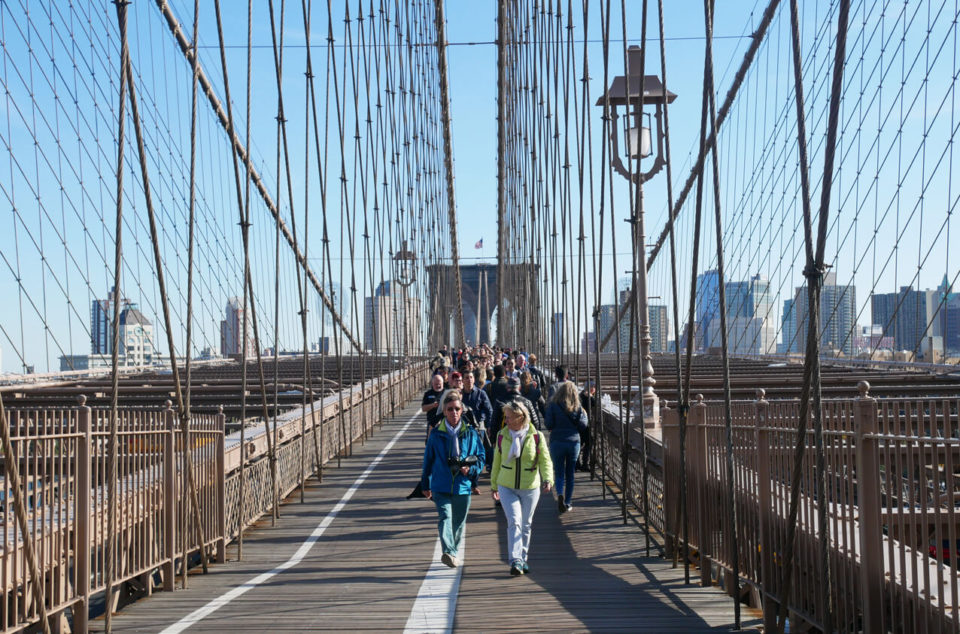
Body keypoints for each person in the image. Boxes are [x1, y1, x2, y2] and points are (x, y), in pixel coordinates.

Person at [420, 390, 486, 568]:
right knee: (445, 517)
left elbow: (481, 456)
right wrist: (425, 483)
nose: (454, 413)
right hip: (441, 484)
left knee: (458, 522)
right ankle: (448, 551)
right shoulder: (436, 434)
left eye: (457, 409)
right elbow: (428, 460)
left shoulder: (471, 433)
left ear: (462, 410)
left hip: (462, 485)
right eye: (450, 409)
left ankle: (453, 552)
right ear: (444, 411)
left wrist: (471, 469)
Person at [490, 401, 554, 576]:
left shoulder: (536, 436)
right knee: (515, 521)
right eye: (506, 417)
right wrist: (494, 484)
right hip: (506, 485)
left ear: (520, 417)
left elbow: (545, 460)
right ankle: (515, 560)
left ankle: (522, 558)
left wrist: (548, 478)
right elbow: (496, 461)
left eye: (509, 417)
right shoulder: (502, 435)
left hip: (530, 487)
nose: (506, 421)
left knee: (526, 524)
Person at [545, 381, 587, 513]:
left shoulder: (553, 405)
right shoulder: (578, 406)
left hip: (557, 441)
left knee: (558, 472)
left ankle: (559, 495)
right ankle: (568, 502)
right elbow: (583, 425)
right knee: (570, 474)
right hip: (573, 442)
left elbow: (548, 424)